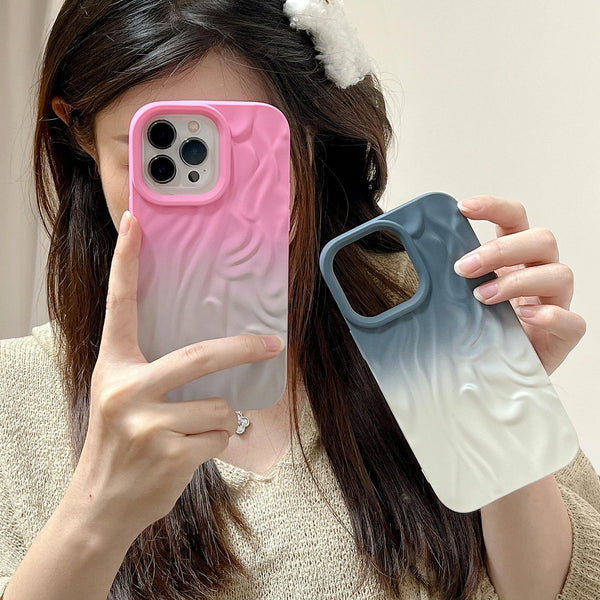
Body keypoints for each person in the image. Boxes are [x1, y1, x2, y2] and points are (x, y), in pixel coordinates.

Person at [1, 1, 599, 599]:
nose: (212, 205)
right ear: (79, 134)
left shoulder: (419, 312)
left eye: (248, 153)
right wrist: (96, 512)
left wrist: (498, 398)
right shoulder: (19, 399)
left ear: (310, 135)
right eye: (160, 161)